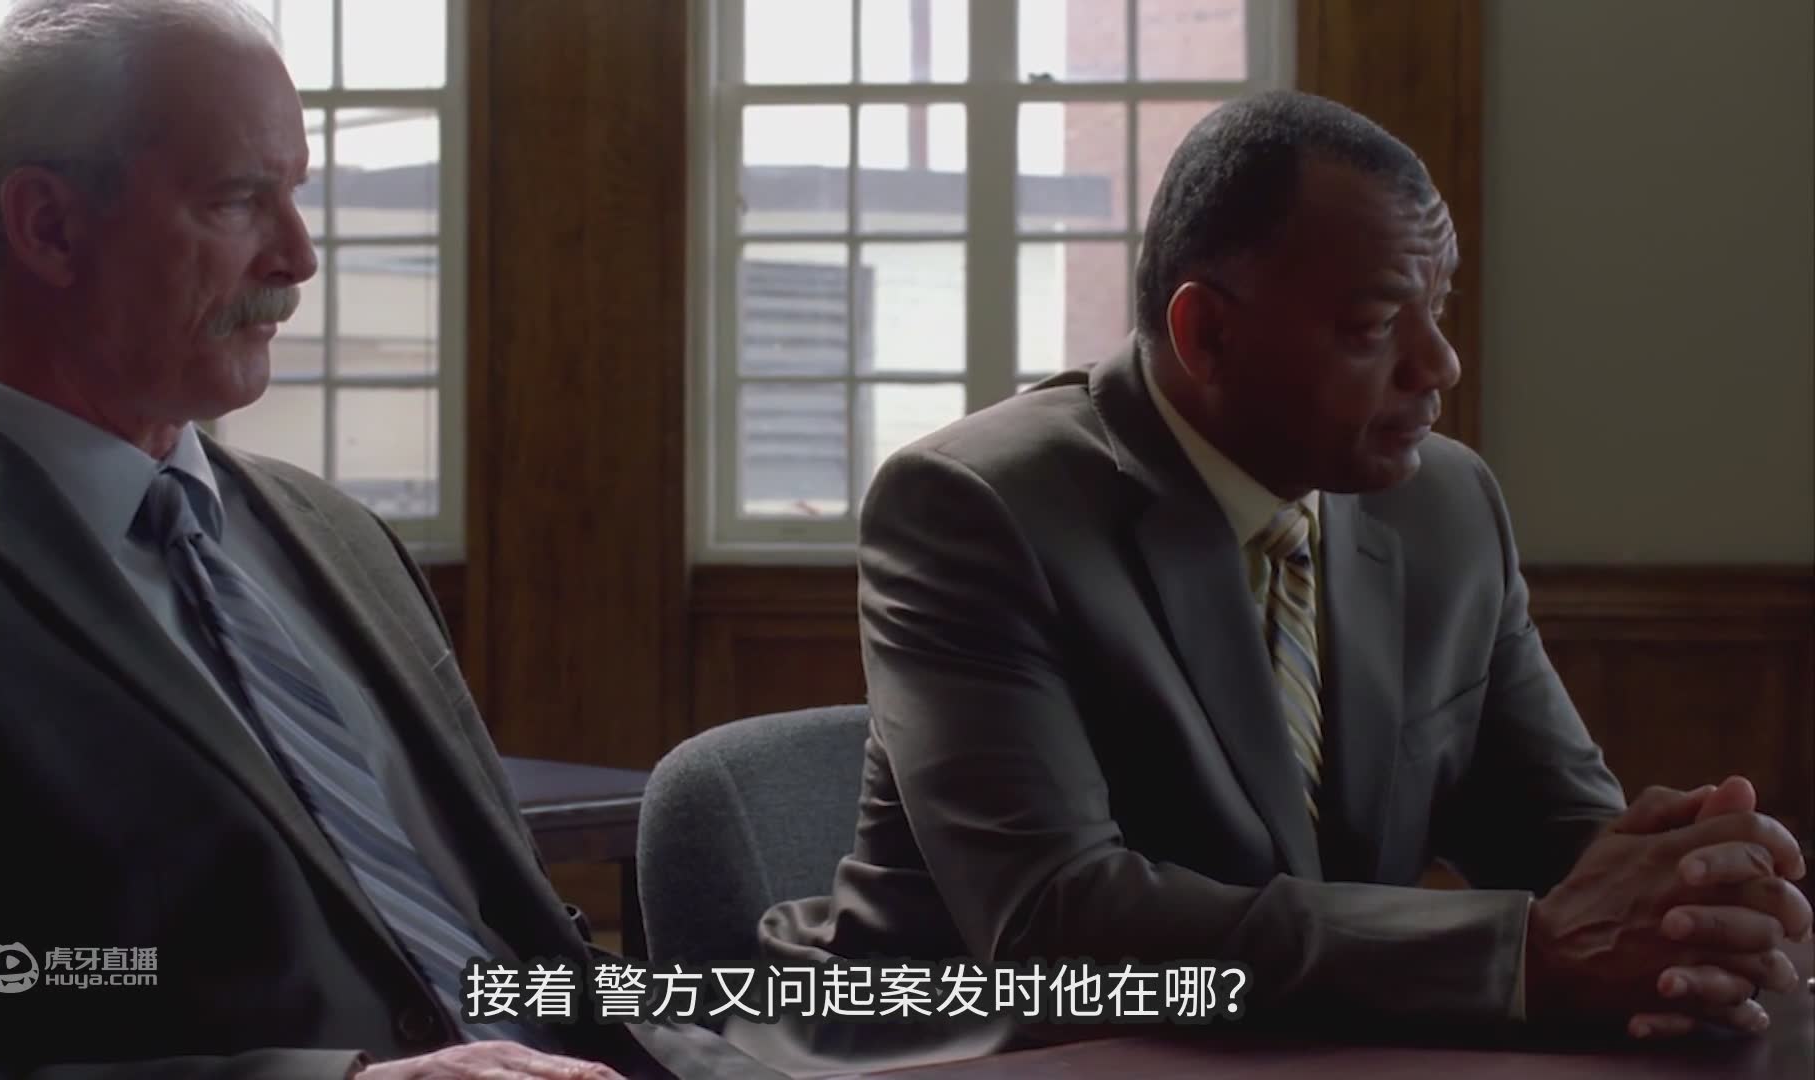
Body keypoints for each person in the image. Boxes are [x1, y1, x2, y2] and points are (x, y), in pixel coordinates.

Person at [725, 90, 1812, 1076]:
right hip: (976, 1049)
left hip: (1298, 1047)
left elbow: (1560, 832)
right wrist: (1521, 955)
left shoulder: (1444, 506)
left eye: (1439, 309)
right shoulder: (974, 507)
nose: (1440, 365)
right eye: (1375, 326)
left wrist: (1684, 905)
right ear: (1207, 332)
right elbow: (1056, 927)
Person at [0, 3, 779, 1078]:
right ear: (49, 227)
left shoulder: (339, 536)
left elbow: (533, 957)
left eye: (297, 194)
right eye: (238, 199)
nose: (300, 255)